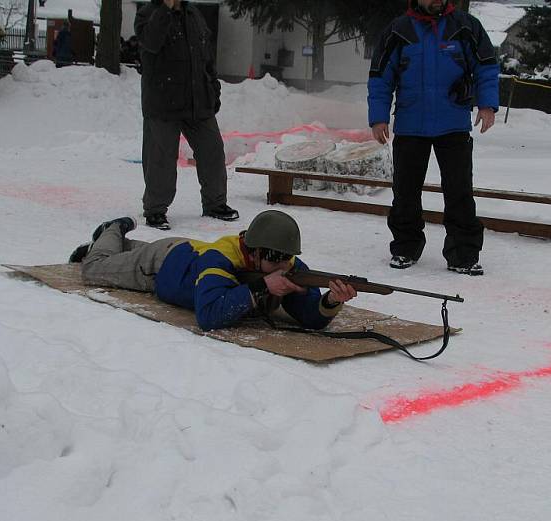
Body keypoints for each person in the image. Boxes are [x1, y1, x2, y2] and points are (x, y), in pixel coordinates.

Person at [368, 0, 500, 275]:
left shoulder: (466, 26)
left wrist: (487, 104)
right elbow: (381, 76)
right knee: (405, 193)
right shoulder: (398, 30)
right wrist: (379, 117)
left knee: (459, 192)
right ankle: (405, 248)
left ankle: (463, 254)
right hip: (409, 125)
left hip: (454, 125)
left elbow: (486, 66)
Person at [68, 210, 358, 331]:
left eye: (288, 258)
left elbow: (310, 317)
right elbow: (208, 315)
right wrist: (262, 288)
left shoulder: (288, 266)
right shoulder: (220, 259)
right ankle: (114, 229)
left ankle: (119, 244)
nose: (284, 265)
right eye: (274, 257)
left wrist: (330, 301)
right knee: (93, 269)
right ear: (255, 252)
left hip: (187, 251)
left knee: (126, 252)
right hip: (161, 264)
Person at [135, 0, 238, 230]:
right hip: (163, 103)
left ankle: (215, 203)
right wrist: (165, 9)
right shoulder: (148, 14)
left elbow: (206, 57)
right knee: (160, 159)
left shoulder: (194, 15)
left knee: (212, 149)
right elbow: (151, 43)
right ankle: (155, 210)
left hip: (198, 102)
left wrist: (213, 89)